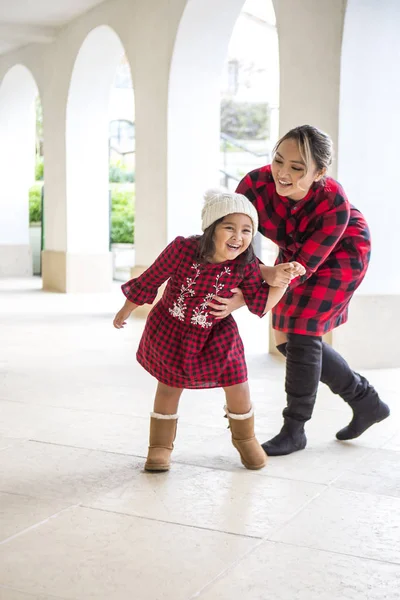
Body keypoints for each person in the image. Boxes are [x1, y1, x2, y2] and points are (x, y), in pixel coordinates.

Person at [207, 125, 390, 456]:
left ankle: (294, 430)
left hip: (342, 253)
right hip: (294, 255)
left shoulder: (334, 203)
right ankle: (367, 402)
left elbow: (299, 270)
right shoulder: (253, 186)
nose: (282, 173)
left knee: (302, 330)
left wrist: (247, 296)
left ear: (319, 172)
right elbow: (236, 241)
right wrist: (241, 281)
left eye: (297, 167)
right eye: (279, 161)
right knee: (287, 341)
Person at [113, 189, 304, 471]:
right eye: (229, 227)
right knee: (169, 386)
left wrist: (282, 282)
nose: (238, 236)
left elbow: (260, 303)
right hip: (172, 328)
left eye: (247, 230)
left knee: (238, 384)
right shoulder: (182, 249)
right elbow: (151, 278)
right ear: (212, 228)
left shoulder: (246, 264)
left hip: (217, 334)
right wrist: (126, 309)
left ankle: (245, 439)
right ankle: (160, 447)